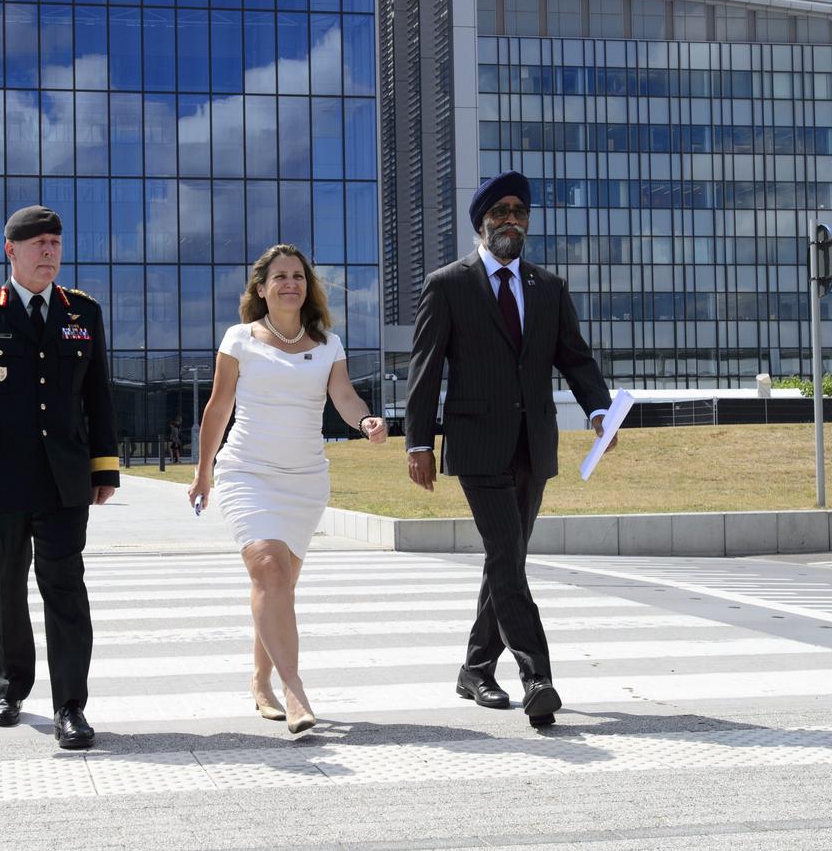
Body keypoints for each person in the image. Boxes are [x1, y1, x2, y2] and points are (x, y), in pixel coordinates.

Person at [404, 171, 618, 728]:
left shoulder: (549, 287)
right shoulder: (447, 284)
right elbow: (425, 369)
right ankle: (536, 678)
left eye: (520, 211)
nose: (512, 220)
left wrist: (599, 410)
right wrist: (419, 441)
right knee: (505, 551)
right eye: (500, 211)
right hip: (476, 443)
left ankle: (475, 668)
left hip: (533, 444)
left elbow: (574, 357)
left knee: (507, 558)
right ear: (481, 223)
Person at [0, 205, 121, 751]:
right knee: (6, 586)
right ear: (11, 251)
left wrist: (104, 466)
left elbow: (98, 395)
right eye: (38, 244)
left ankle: (70, 707)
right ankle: (11, 687)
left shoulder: (83, 312)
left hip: (64, 478)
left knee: (65, 588)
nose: (49, 252)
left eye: (55, 243)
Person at [187, 244, 389, 734]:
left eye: (298, 276)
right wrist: (203, 471)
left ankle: (260, 682)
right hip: (247, 472)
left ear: (307, 286)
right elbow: (218, 407)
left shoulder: (328, 344)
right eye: (279, 276)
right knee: (269, 569)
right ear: (261, 288)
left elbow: (343, 394)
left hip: (304, 480)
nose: (290, 283)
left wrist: (364, 419)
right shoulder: (240, 338)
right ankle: (294, 689)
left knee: (277, 586)